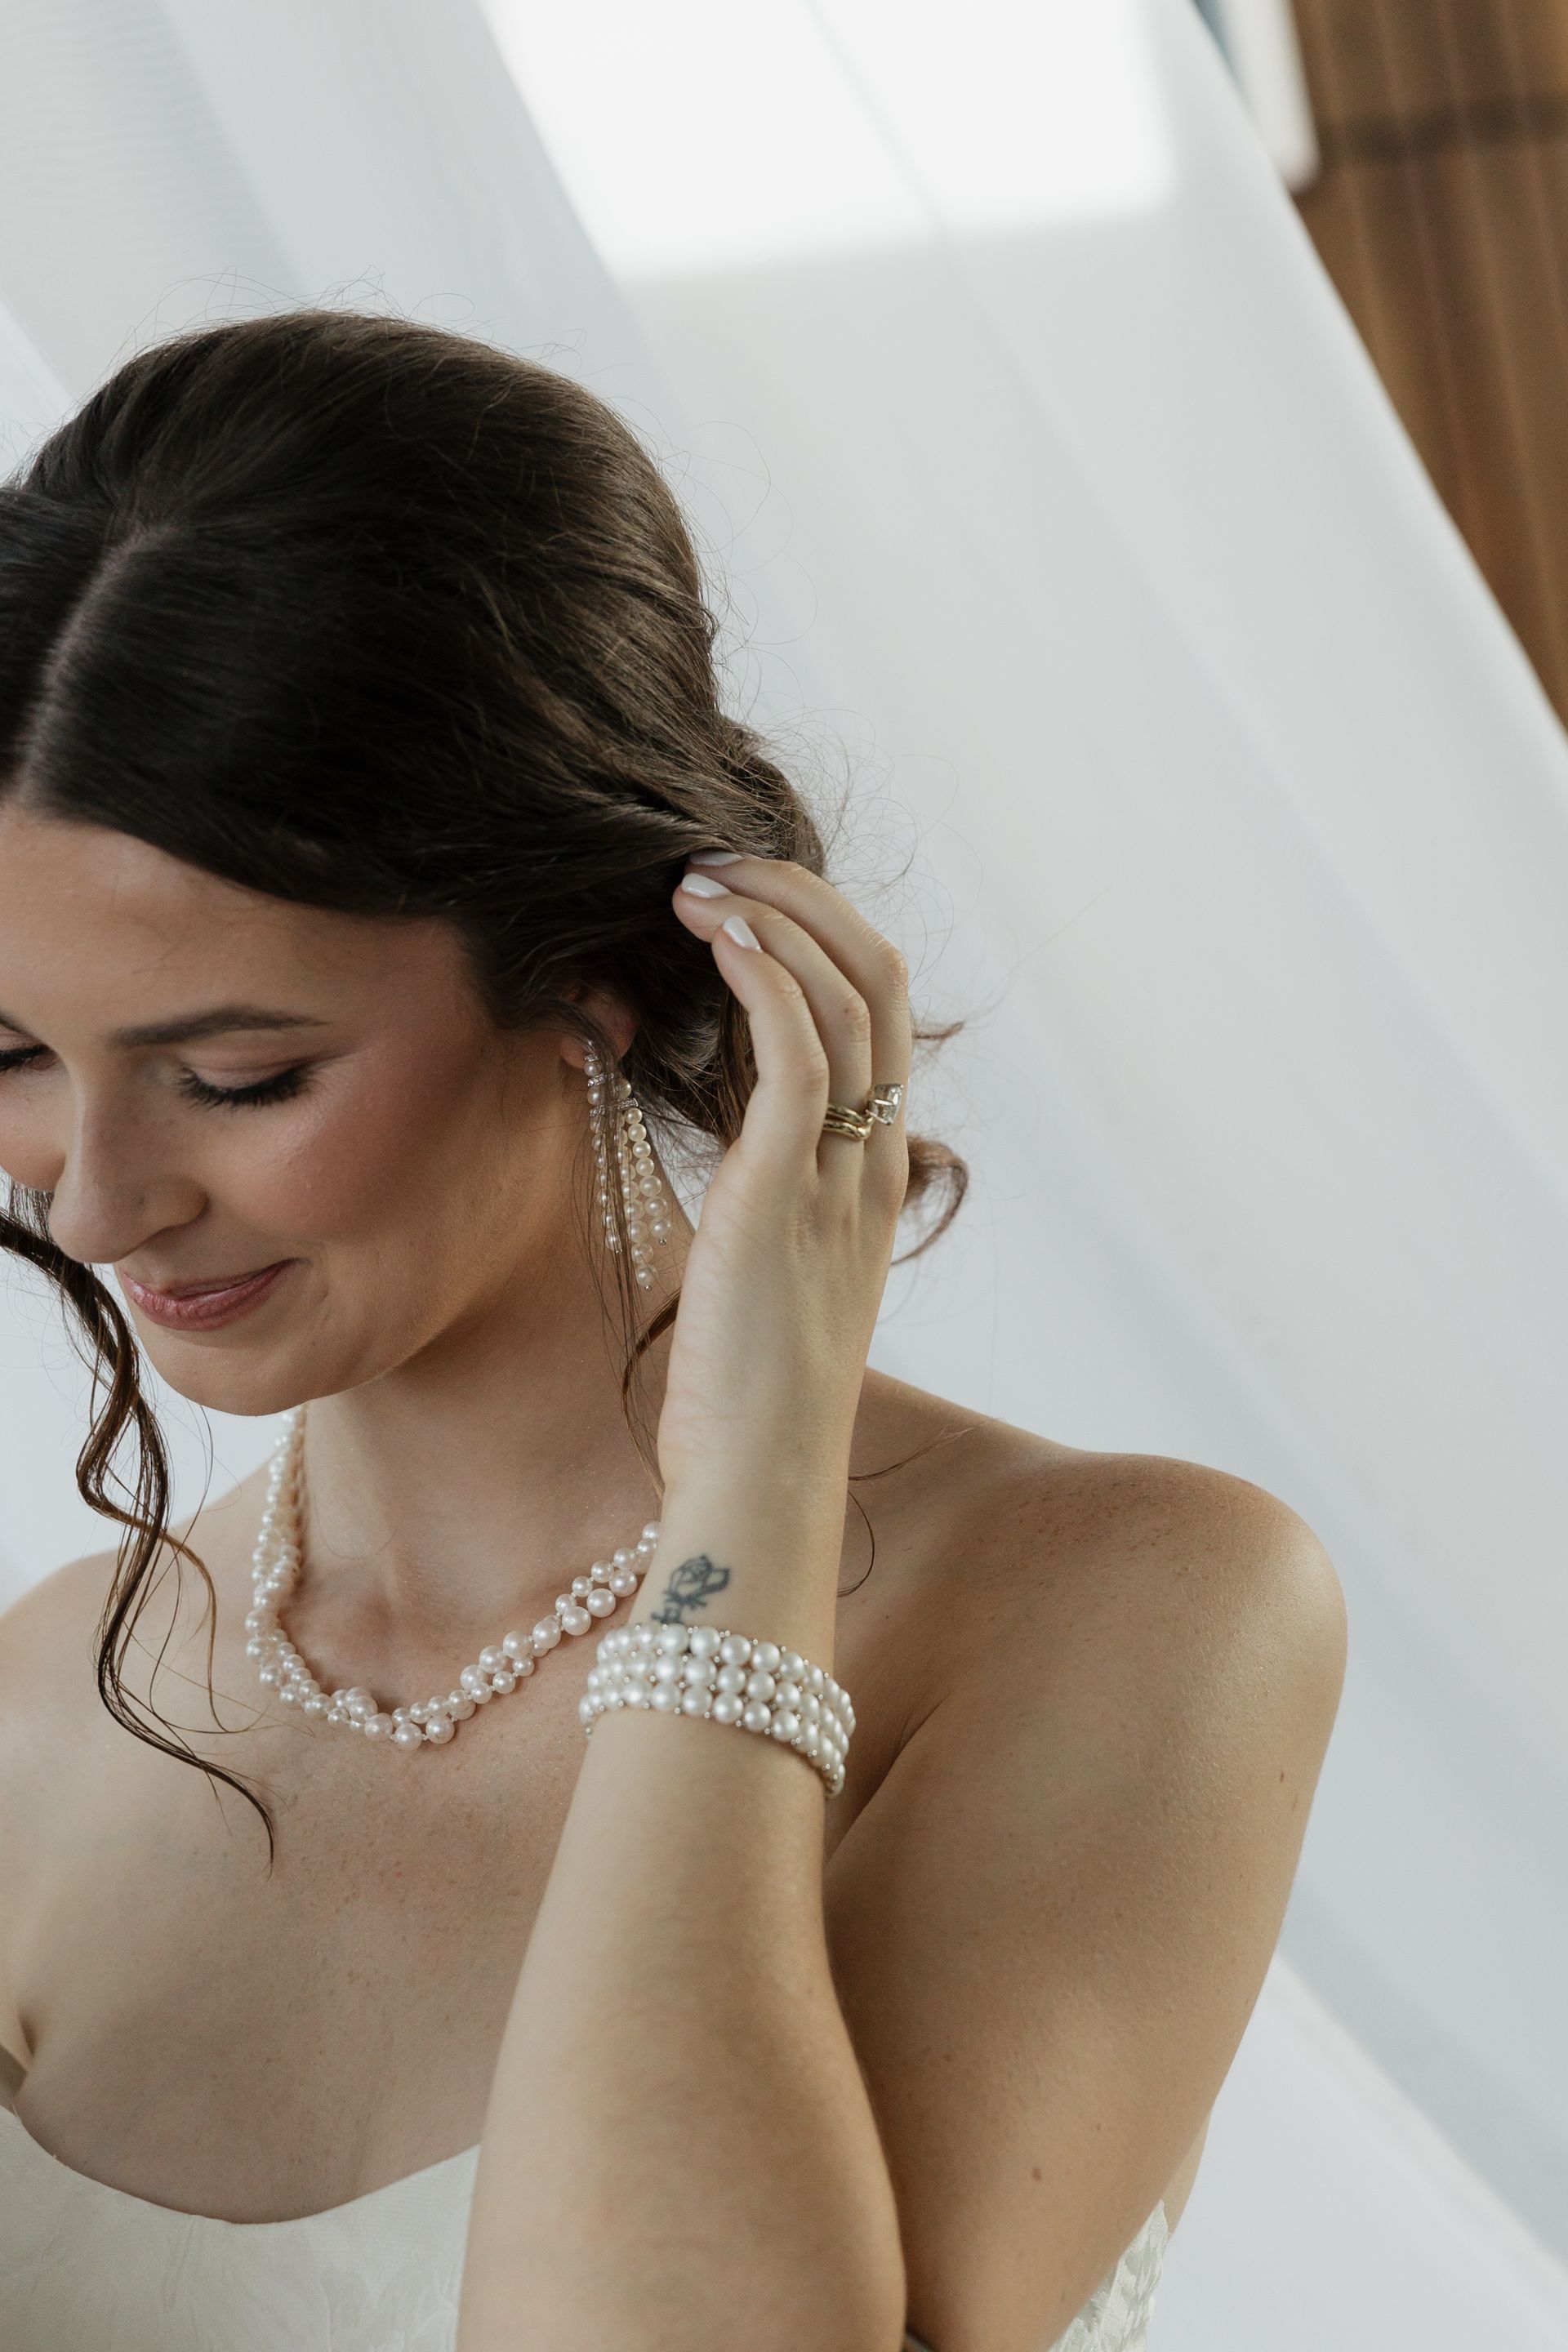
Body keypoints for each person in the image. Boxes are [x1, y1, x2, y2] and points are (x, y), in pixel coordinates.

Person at [0, 310, 1347, 2352]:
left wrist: (747, 1518)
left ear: (600, 973)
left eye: (242, 1076)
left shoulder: (1133, 1609)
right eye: (7, 1053)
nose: (90, 1200)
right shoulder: (41, 1705)